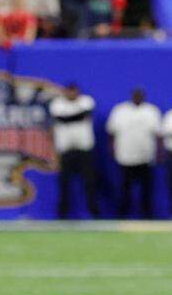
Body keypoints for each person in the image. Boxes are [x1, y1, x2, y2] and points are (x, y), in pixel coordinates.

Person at [105, 88, 161, 218]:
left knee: (146, 189)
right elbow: (111, 133)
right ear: (131, 96)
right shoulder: (120, 110)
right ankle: (122, 215)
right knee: (124, 188)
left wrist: (159, 152)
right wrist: (112, 149)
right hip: (125, 156)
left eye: (139, 95)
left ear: (144, 96)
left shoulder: (152, 111)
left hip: (146, 156)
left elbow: (158, 134)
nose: (137, 97)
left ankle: (147, 215)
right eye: (135, 95)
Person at [49, 82, 98, 218]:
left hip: (84, 149)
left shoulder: (86, 101)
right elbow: (62, 119)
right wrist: (75, 116)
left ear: (78, 91)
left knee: (89, 182)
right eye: (69, 91)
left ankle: (94, 213)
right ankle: (61, 214)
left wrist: (69, 118)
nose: (71, 94)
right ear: (65, 92)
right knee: (63, 183)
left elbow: (80, 115)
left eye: (74, 91)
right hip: (65, 150)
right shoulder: (57, 104)